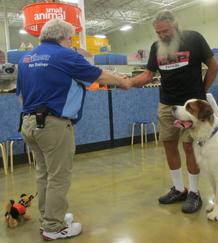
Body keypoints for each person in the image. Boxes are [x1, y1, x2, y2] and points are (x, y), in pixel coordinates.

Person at [16, 18, 130, 240]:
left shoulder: (25, 59)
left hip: (29, 123)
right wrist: (124, 82)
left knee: (44, 174)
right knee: (59, 177)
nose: (71, 43)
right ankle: (54, 227)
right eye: (70, 39)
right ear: (63, 38)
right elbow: (99, 75)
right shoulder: (64, 54)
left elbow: (20, 96)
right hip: (53, 124)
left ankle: (48, 218)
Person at [129, 10, 218, 213]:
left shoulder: (194, 39)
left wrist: (202, 92)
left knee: (190, 148)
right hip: (167, 105)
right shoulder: (156, 48)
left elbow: (214, 66)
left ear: (175, 26)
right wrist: (128, 83)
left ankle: (195, 193)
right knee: (169, 144)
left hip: (191, 109)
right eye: (158, 32)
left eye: (165, 31)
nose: (162, 35)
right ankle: (179, 189)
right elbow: (147, 75)